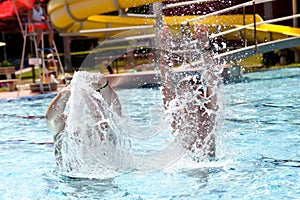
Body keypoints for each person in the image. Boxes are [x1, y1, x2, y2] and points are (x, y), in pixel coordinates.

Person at [158, 25, 220, 159]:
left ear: (201, 95)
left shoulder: (208, 115)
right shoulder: (176, 117)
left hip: (209, 168)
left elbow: (212, 80)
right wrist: (164, 48)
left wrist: (205, 46)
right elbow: (167, 84)